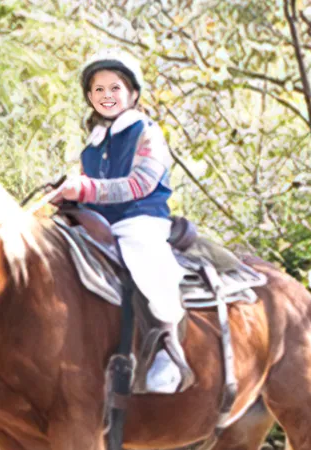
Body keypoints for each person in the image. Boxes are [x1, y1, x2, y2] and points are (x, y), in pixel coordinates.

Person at [60, 50, 195, 394]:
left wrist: (85, 188)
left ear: (133, 93)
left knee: (145, 255)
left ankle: (167, 346)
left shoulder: (147, 132)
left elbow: (140, 184)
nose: (107, 95)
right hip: (99, 223)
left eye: (115, 88)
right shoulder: (93, 143)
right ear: (90, 97)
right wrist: (67, 194)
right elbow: (89, 186)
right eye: (99, 89)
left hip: (140, 218)